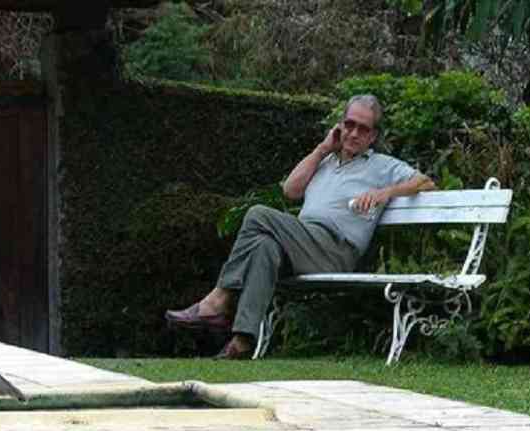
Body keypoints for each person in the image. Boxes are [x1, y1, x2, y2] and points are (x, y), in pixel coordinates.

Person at [165, 94, 436, 359]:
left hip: (335, 251)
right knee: (264, 247)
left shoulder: (381, 165)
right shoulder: (325, 161)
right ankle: (242, 341)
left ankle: (218, 299)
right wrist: (321, 149)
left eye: (363, 129)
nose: (353, 134)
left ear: (373, 136)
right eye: (349, 124)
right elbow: (290, 191)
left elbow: (426, 183)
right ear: (340, 126)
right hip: (303, 244)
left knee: (258, 213)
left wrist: (384, 193)